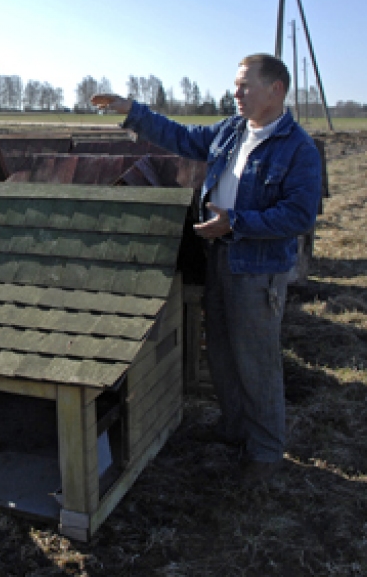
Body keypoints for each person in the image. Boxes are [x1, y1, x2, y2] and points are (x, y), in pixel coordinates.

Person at [92, 54, 323, 485]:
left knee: (256, 362)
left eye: (245, 85)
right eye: (235, 85)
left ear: (276, 90)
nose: (235, 93)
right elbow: (182, 137)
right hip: (218, 258)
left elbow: (299, 215)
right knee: (219, 351)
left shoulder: (298, 149)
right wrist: (133, 112)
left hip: (256, 270)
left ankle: (266, 453)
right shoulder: (231, 132)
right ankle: (234, 428)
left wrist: (236, 222)